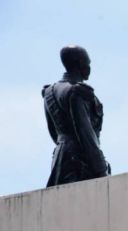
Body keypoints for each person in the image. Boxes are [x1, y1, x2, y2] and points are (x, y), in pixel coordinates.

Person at [42, 45, 110, 186]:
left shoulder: (49, 91)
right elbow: (86, 134)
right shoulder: (77, 92)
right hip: (80, 163)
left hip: (60, 160)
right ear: (79, 64)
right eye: (88, 63)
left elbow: (53, 133)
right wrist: (101, 168)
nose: (90, 67)